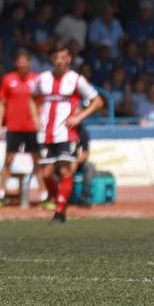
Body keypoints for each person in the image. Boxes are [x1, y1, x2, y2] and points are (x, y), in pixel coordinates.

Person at [33, 47, 103, 224]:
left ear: (69, 59)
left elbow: (98, 101)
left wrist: (79, 117)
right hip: (46, 133)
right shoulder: (43, 79)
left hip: (66, 132)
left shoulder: (76, 80)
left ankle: (59, 211)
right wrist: (35, 116)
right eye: (56, 56)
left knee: (64, 170)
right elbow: (31, 98)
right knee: (47, 174)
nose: (60, 60)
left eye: (63, 57)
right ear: (52, 59)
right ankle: (61, 204)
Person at [0, 49, 41, 208]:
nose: (22, 63)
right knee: (8, 160)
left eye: (24, 60)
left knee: (37, 161)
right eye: (19, 60)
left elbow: (41, 103)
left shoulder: (36, 80)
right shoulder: (7, 79)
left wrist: (40, 122)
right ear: (15, 63)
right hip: (14, 126)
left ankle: (44, 195)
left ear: (29, 62)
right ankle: (0, 194)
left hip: (32, 127)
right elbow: (0, 103)